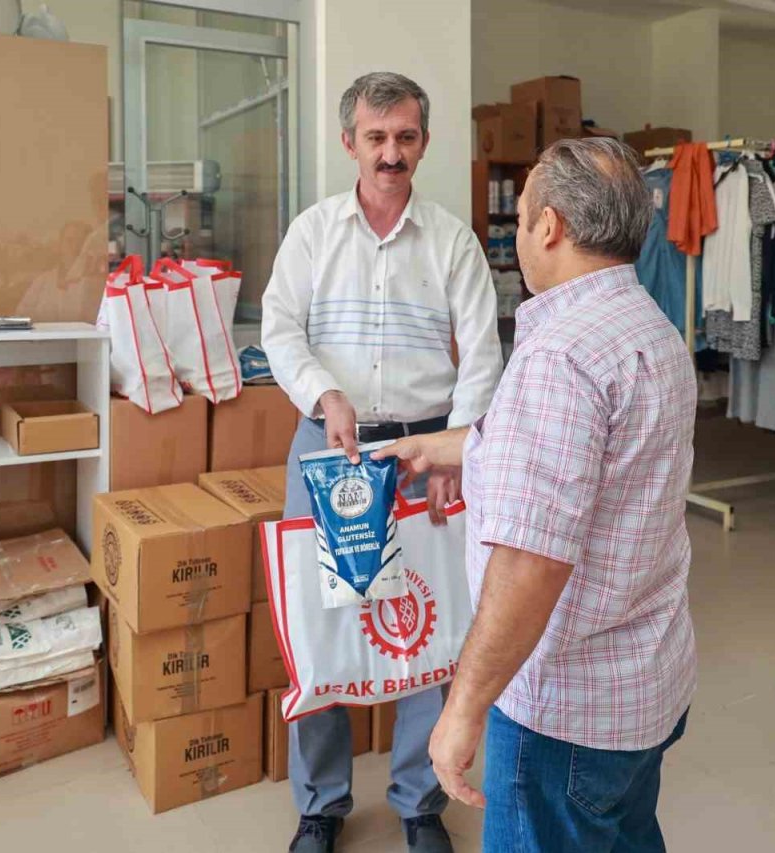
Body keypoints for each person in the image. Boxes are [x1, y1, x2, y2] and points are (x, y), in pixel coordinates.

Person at [374, 137, 697, 852]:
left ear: (549, 226)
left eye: (522, 218)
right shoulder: (652, 332)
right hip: (644, 685)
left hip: (564, 714)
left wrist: (462, 708)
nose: (521, 232)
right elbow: (598, 466)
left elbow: (531, 561)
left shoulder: (558, 356)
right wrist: (451, 446)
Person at [261, 71, 504, 853]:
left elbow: (483, 353)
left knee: (431, 626)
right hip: (328, 448)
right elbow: (279, 329)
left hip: (426, 448)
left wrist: (458, 445)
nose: (391, 153)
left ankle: (420, 801)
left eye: (405, 137)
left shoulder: (453, 240)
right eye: (376, 137)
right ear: (349, 144)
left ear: (423, 142)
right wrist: (325, 393)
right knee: (323, 627)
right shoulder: (312, 233)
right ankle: (322, 805)